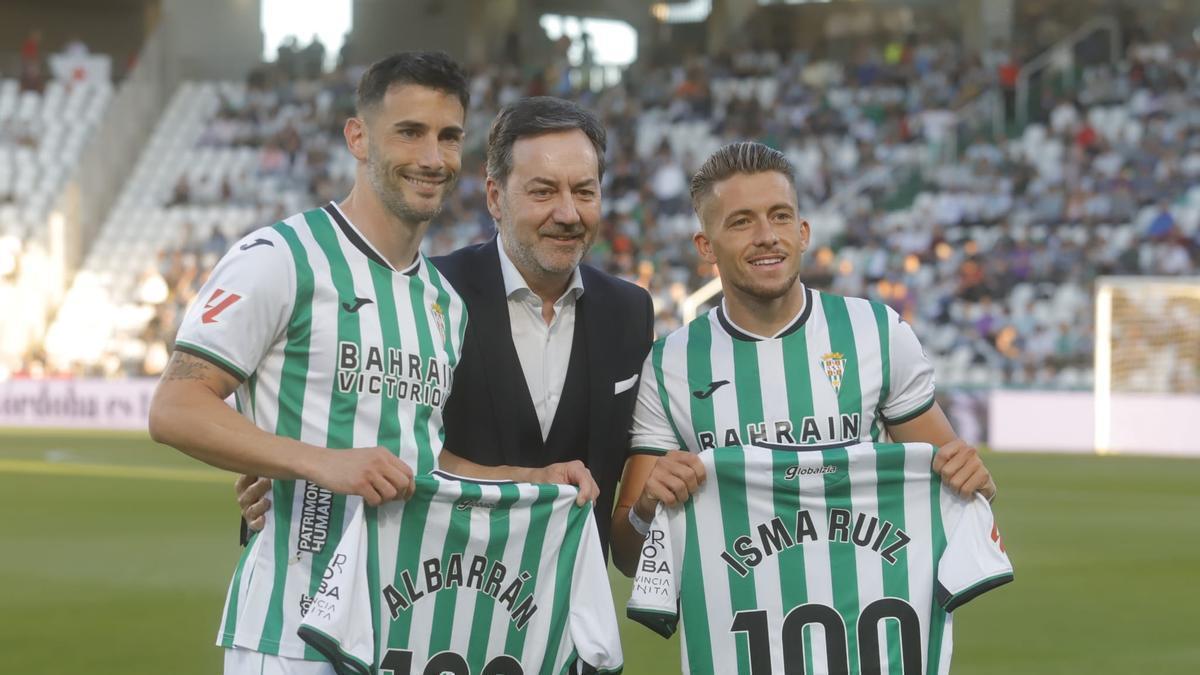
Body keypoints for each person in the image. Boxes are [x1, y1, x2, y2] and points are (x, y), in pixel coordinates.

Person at [149, 52, 573, 675]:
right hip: (293, 630)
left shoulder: (443, 303)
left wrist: (525, 479)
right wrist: (322, 463)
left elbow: (415, 456)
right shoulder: (281, 256)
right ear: (358, 137)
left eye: (448, 136)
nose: (433, 157)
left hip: (404, 625)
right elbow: (175, 407)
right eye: (410, 132)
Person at [238, 96, 655, 554]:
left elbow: (631, 512)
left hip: (570, 611)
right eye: (543, 191)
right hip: (435, 595)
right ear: (495, 197)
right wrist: (284, 480)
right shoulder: (424, 295)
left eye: (584, 191)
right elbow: (361, 435)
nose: (568, 212)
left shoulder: (630, 312)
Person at [609, 141, 997, 575]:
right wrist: (646, 507)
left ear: (804, 231)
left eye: (780, 216)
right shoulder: (669, 365)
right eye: (741, 222)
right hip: (734, 635)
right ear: (705, 246)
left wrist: (972, 479)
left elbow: (954, 485)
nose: (767, 236)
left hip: (869, 628)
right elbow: (627, 556)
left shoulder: (875, 332)